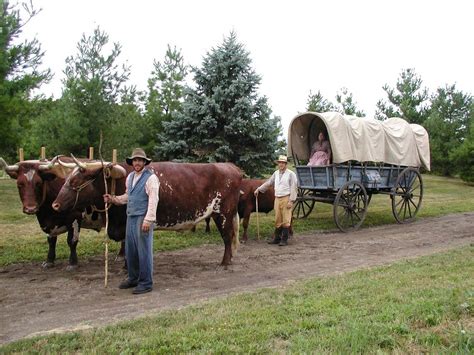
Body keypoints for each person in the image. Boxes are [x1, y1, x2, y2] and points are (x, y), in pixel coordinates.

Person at [104, 148, 159, 294]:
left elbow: (154, 200)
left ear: (144, 162)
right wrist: (114, 199)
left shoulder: (151, 178)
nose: (137, 163)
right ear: (132, 162)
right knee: (131, 250)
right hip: (131, 216)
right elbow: (128, 196)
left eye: (140, 160)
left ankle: (146, 282)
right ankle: (133, 278)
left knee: (144, 250)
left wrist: (149, 219)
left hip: (143, 218)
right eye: (135, 160)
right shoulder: (130, 177)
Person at [254, 155, 297, 246]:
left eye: (283, 163)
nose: (281, 164)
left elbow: (294, 187)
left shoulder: (291, 174)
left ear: (286, 164)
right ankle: (277, 238)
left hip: (286, 198)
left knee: (286, 219)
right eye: (279, 163)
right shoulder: (276, 173)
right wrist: (259, 189)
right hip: (277, 198)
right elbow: (269, 183)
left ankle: (284, 239)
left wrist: (291, 200)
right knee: (278, 219)